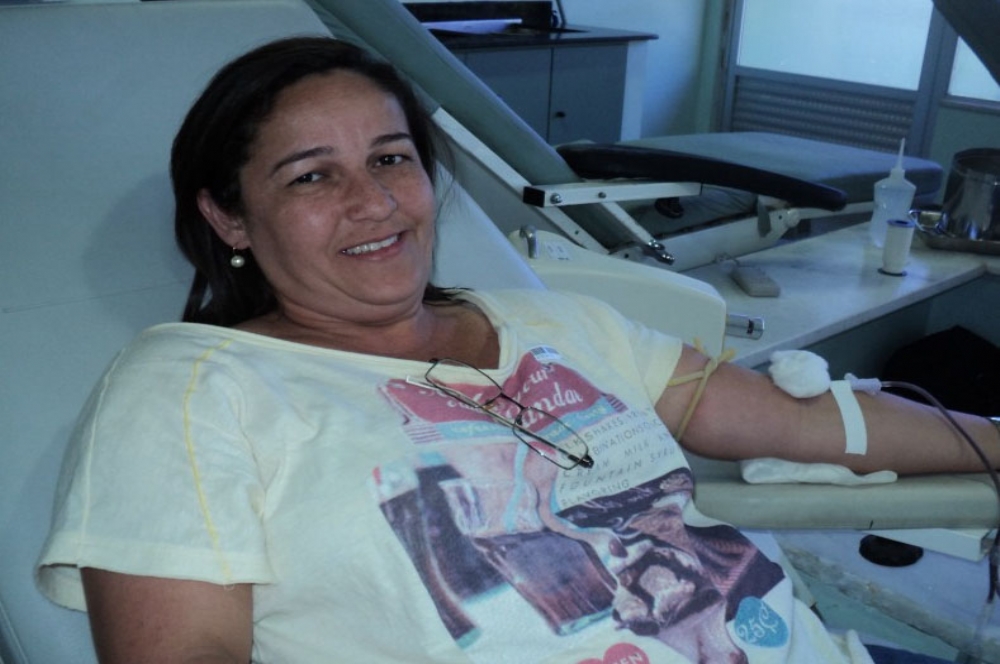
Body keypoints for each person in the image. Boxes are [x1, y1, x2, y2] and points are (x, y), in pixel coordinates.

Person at [35, 37, 998, 664]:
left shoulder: (561, 323)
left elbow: (794, 419)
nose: (374, 202)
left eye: (390, 158)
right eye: (311, 177)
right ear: (228, 217)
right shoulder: (192, 389)